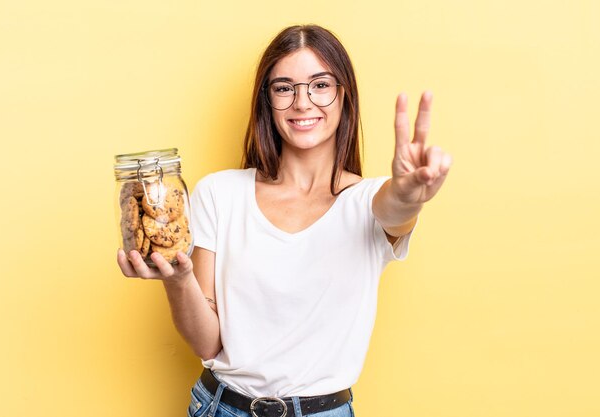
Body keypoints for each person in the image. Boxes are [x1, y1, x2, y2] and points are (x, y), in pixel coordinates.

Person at [117, 24, 452, 417]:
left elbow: (393, 209)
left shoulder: (365, 201)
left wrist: (409, 195)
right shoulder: (219, 193)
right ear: (267, 100)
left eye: (320, 85)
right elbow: (208, 344)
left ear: (344, 96)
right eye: (284, 88)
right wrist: (178, 280)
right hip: (221, 407)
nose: (302, 102)